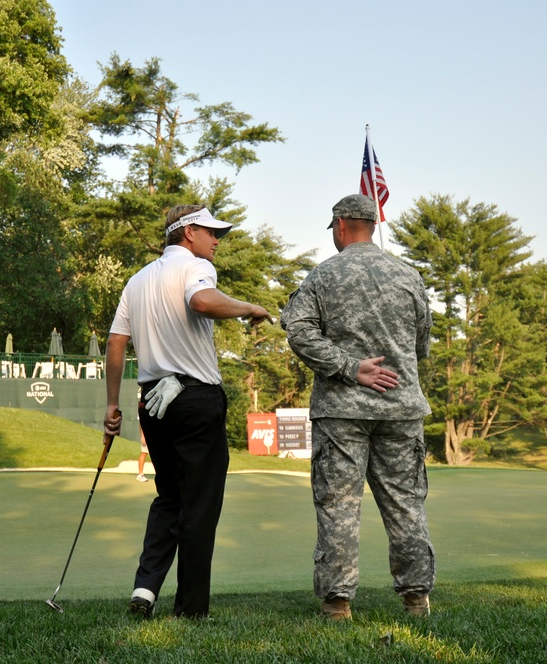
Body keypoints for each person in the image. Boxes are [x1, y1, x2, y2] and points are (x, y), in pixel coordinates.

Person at [104, 204, 273, 620]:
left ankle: (145, 591)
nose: (217, 240)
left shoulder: (137, 280)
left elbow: (115, 344)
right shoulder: (196, 268)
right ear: (189, 232)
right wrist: (250, 307)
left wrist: (111, 404)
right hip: (195, 399)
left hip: (153, 403)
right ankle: (191, 610)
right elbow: (201, 301)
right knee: (199, 505)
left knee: (169, 498)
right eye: (212, 232)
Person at [280, 193, 435, 621]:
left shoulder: (323, 275)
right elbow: (421, 345)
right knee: (406, 504)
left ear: (341, 226)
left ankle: (337, 604)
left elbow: (299, 333)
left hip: (341, 410)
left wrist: (350, 367)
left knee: (338, 505)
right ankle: (416, 600)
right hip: (400, 407)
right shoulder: (408, 276)